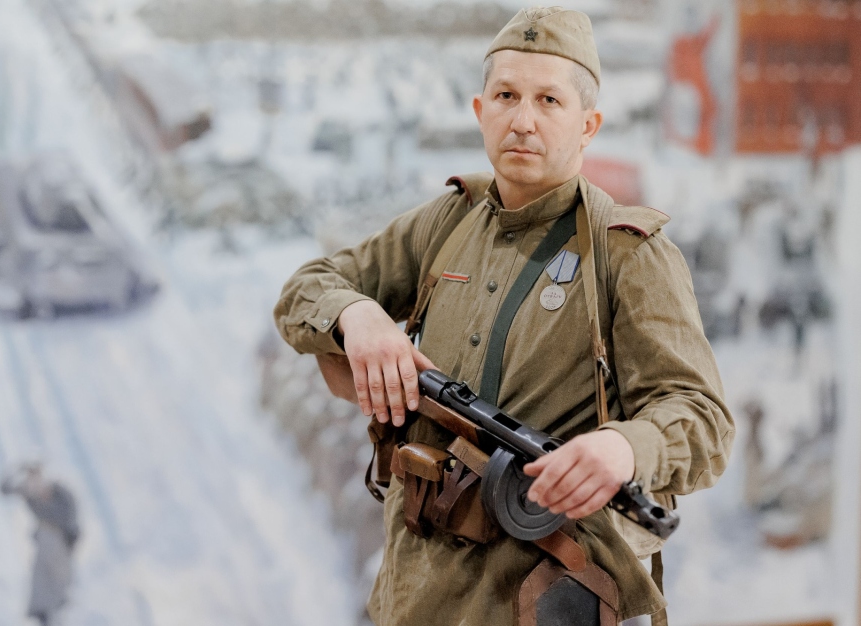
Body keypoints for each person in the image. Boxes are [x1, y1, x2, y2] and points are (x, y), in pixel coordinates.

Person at [274, 7, 734, 625]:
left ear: (588, 125)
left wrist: (623, 449)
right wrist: (357, 316)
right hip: (416, 598)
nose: (523, 120)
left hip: (541, 598)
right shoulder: (448, 221)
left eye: (549, 100)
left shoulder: (627, 254)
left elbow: (703, 420)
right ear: (479, 110)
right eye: (507, 96)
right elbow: (304, 291)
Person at [0, 463, 80, 626]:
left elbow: (67, 515)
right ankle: (42, 613)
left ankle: (58, 610)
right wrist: (17, 471)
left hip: (59, 540)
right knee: (40, 577)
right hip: (44, 540)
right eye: (31, 477)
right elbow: (4, 489)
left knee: (60, 580)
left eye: (36, 476)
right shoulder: (29, 491)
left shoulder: (59, 492)